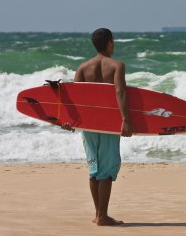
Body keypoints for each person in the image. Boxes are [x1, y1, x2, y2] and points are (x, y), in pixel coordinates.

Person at [62, 28, 133, 226]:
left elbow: (76, 99)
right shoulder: (117, 65)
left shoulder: (83, 68)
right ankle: (102, 216)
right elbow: (120, 92)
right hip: (109, 123)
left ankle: (98, 213)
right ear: (109, 42)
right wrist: (126, 119)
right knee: (107, 169)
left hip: (89, 123)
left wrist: (70, 122)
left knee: (94, 168)